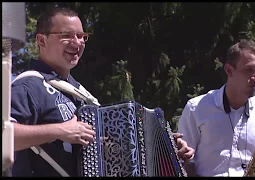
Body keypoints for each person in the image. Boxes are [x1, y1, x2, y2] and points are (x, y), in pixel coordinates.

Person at [10, 7, 193, 177]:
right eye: (67, 35)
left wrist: (167, 147)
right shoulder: (29, 85)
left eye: (81, 36)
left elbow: (117, 153)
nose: (77, 42)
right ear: (42, 40)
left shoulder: (82, 95)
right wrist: (60, 131)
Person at [177, 39, 255, 177]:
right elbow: (182, 162)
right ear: (229, 70)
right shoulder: (197, 108)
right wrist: (184, 158)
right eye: (249, 70)